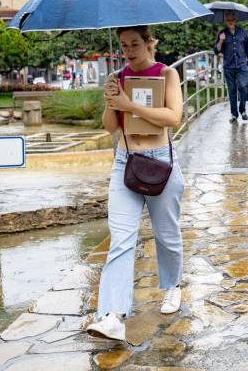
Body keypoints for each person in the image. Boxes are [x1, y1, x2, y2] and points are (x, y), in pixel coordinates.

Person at [86, 25, 185, 342]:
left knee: (166, 234)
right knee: (121, 238)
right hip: (125, 162)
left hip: (160, 161)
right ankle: (113, 315)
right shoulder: (118, 78)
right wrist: (110, 101)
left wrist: (130, 105)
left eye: (134, 44)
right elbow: (109, 127)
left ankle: (172, 286)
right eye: (123, 45)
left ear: (149, 43)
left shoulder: (167, 74)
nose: (128, 51)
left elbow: (173, 117)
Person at [214, 11, 248, 123]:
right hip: (229, 66)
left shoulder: (242, 32)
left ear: (235, 20)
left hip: (242, 65)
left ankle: (243, 110)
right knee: (232, 90)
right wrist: (221, 40)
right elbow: (216, 51)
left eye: (232, 20)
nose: (230, 22)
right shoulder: (222, 33)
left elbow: (247, 49)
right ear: (225, 21)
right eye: (228, 20)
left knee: (242, 86)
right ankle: (234, 114)